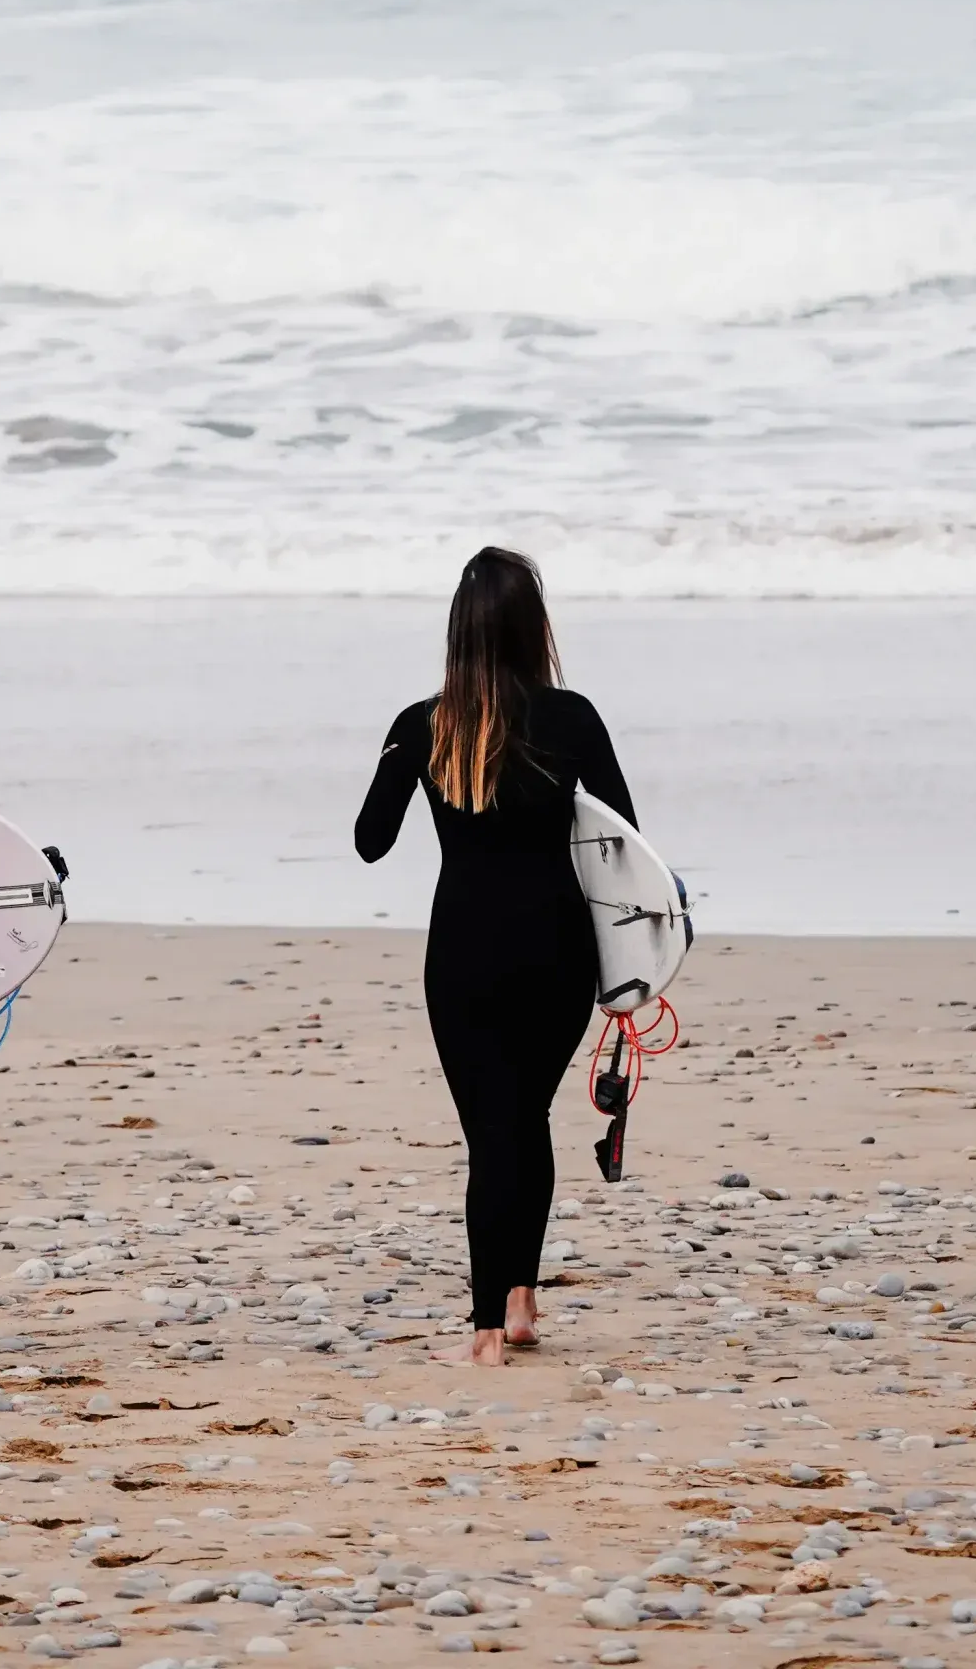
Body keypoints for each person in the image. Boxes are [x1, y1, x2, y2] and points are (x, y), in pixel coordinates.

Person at [355, 546, 635, 1367]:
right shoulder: (572, 718)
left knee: (492, 1135)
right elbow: (625, 836)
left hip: (464, 953)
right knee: (528, 1120)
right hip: (556, 949)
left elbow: (371, 843)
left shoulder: (421, 725)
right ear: (531, 627)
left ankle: (485, 1327)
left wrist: (404, 763)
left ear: (458, 631)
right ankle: (518, 1297)